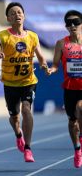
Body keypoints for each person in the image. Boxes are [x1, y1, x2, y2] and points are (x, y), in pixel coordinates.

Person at [0, 2, 48, 162]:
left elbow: (40, 56)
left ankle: (28, 148)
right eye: (12, 13)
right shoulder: (3, 36)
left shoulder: (32, 36)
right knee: (15, 117)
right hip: (10, 84)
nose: (16, 15)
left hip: (28, 81)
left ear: (23, 16)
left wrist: (44, 64)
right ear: (8, 18)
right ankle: (18, 135)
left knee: (26, 110)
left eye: (19, 12)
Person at [47, 10, 82, 168]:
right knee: (71, 121)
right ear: (66, 26)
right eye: (69, 23)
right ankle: (77, 149)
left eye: (75, 22)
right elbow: (55, 64)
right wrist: (51, 69)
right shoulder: (62, 43)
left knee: (80, 108)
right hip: (70, 88)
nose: (72, 25)